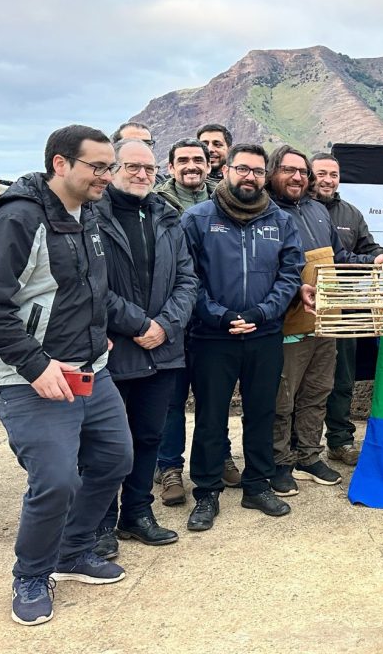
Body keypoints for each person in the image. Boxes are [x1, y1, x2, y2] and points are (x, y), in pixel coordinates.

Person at [0, 125, 133, 626]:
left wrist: (95, 330)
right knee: (56, 479)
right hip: (26, 377)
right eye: (98, 167)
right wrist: (36, 365)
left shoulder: (90, 214)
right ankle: (31, 574)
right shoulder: (18, 218)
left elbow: (88, 287)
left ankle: (72, 552)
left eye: (110, 166)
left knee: (114, 459)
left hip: (88, 368)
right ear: (61, 164)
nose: (107, 176)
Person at [181, 143, 303, 531]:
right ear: (227, 170)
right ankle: (206, 492)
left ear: (265, 176)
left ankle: (256, 485)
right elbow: (187, 277)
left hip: (264, 334)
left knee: (263, 412)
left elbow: (290, 274)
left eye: (256, 170)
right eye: (242, 169)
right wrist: (220, 317)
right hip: (212, 336)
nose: (248, 176)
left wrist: (260, 313)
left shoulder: (280, 221)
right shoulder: (197, 219)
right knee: (211, 416)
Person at [90, 139, 196, 559]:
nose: (141, 175)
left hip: (163, 350)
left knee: (149, 437)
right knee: (105, 445)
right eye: (132, 166)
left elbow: (187, 280)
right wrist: (140, 324)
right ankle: (99, 523)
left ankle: (136, 514)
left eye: (149, 169)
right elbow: (92, 283)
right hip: (115, 351)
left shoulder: (167, 218)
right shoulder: (90, 218)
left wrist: (166, 326)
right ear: (112, 169)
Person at [265, 145, 383, 497]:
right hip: (288, 320)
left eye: (301, 171)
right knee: (283, 395)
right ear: (274, 172)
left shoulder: (319, 211)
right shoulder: (265, 211)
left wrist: (374, 261)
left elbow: (342, 256)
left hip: (326, 319)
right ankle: (280, 461)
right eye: (289, 170)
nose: (296, 177)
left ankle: (308, 455)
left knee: (318, 390)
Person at [153, 138, 235, 507]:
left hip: (212, 320)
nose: (191, 165)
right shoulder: (155, 205)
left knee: (214, 398)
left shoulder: (226, 202)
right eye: (183, 160)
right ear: (170, 167)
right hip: (172, 320)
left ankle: (219, 456)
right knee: (170, 401)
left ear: (209, 165)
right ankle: (169, 467)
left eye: (198, 160)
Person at [311, 152, 383, 466]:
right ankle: (299, 446)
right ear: (308, 174)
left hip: (346, 311)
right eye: (322, 173)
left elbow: (370, 250)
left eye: (334, 174)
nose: (328, 180)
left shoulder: (351, 214)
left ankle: (340, 442)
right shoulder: (293, 210)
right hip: (304, 311)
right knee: (304, 382)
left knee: (342, 380)